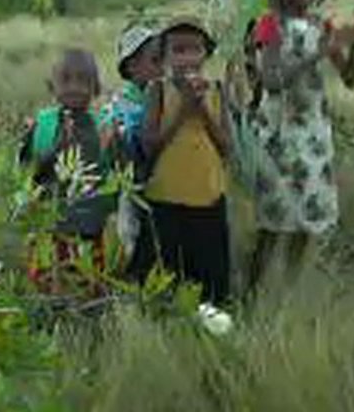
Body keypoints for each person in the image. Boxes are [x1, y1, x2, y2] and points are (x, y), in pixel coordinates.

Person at [245, 0, 354, 293]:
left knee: (306, 221)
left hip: (313, 135)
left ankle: (287, 290)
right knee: (272, 221)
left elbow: (351, 79)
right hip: (278, 135)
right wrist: (318, 53)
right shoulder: (270, 25)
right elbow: (271, 81)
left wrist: (353, 45)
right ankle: (251, 292)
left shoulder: (322, 25)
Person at [128, 17, 234, 308]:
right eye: (178, 50)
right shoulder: (157, 91)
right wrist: (182, 109)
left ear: (206, 54)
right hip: (166, 199)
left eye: (195, 50)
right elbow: (150, 146)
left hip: (207, 197)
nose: (187, 58)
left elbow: (227, 147)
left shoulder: (216, 90)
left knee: (208, 283)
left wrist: (201, 109)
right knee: (162, 276)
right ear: (163, 58)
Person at [18, 48, 116, 295]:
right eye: (66, 79)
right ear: (52, 86)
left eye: (83, 81)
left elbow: (110, 174)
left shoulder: (102, 126)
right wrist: (56, 149)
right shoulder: (42, 125)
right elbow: (28, 172)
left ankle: (90, 323)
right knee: (47, 282)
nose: (74, 87)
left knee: (89, 283)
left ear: (95, 88)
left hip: (88, 225)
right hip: (48, 222)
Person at [98, 23, 162, 259]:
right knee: (135, 240)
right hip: (133, 187)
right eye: (155, 61)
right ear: (133, 66)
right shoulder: (121, 104)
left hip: (164, 183)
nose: (163, 67)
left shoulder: (165, 96)